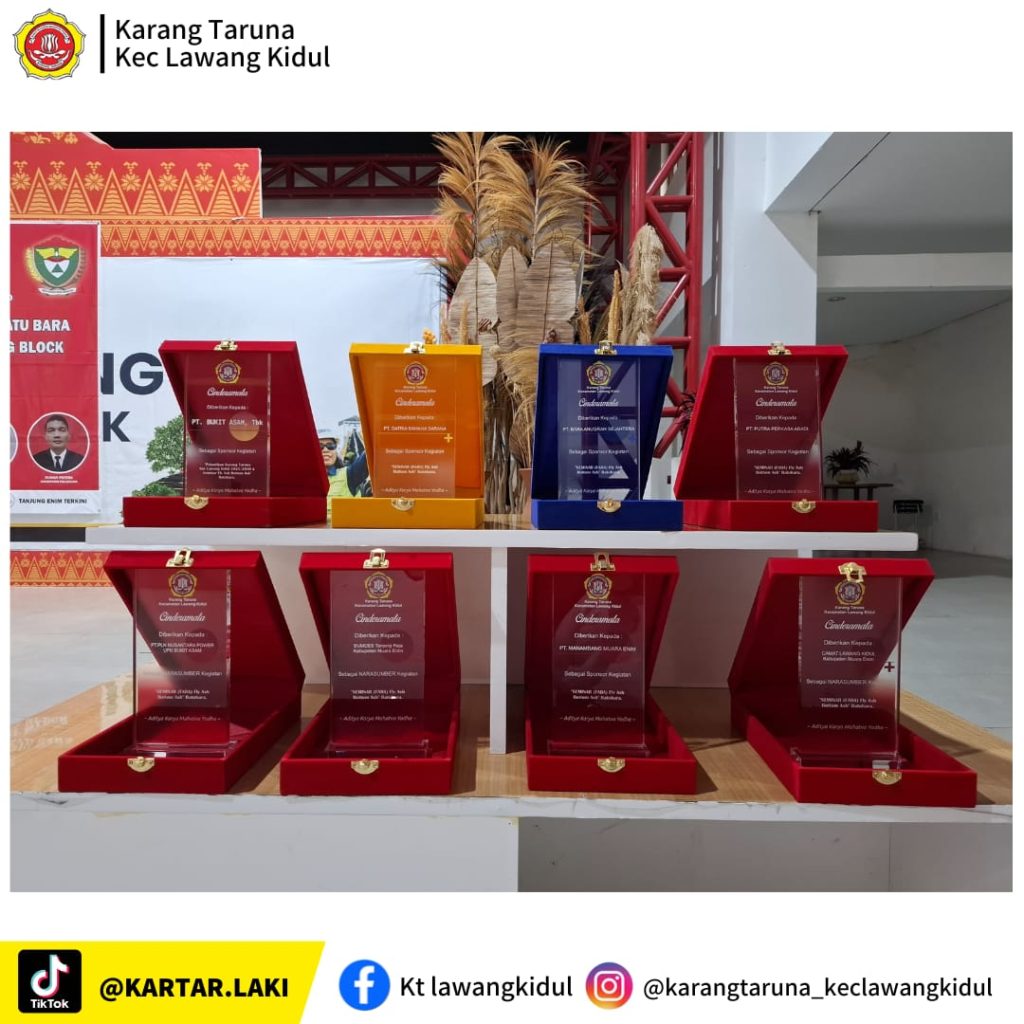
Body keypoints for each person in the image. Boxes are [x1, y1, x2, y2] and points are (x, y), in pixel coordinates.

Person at [319, 426, 370, 515]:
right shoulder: (305, 482)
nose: (326, 450)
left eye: (331, 446)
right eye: (320, 446)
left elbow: (370, 453)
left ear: (336, 450)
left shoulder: (349, 475)